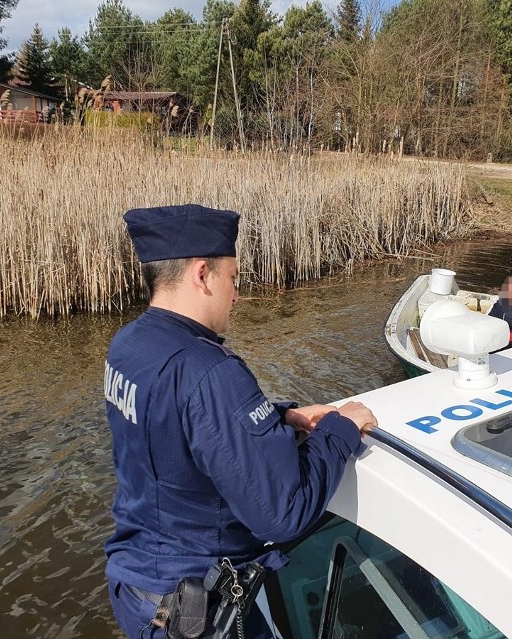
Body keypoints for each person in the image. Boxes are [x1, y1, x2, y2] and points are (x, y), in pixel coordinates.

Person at [103, 204, 377, 639]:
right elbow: (283, 513)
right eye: (232, 278)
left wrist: (281, 415)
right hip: (196, 613)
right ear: (201, 274)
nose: (236, 294)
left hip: (136, 586)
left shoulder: (129, 345)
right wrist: (340, 428)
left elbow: (178, 429)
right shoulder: (209, 369)